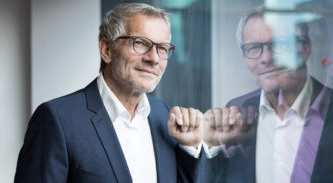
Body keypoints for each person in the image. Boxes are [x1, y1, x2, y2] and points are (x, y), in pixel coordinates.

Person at [14, 3, 204, 183]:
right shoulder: (57, 119)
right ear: (106, 50)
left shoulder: (163, 115)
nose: (154, 58)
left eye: (162, 48)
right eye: (140, 43)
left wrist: (189, 148)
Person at [203, 5, 333, 183]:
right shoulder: (236, 110)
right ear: (244, 58)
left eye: (278, 44)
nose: (266, 58)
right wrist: (212, 145)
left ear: (304, 49)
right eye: (254, 48)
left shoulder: (328, 105)